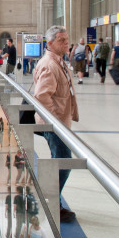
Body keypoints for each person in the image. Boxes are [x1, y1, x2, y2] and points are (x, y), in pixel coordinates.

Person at [32, 25, 79, 222]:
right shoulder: (49, 65)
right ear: (50, 43)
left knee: (59, 161)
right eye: (61, 40)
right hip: (54, 123)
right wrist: (54, 122)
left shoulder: (59, 62)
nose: (66, 43)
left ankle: (53, 201)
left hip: (60, 121)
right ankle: (50, 202)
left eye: (67, 39)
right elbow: (42, 96)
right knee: (62, 163)